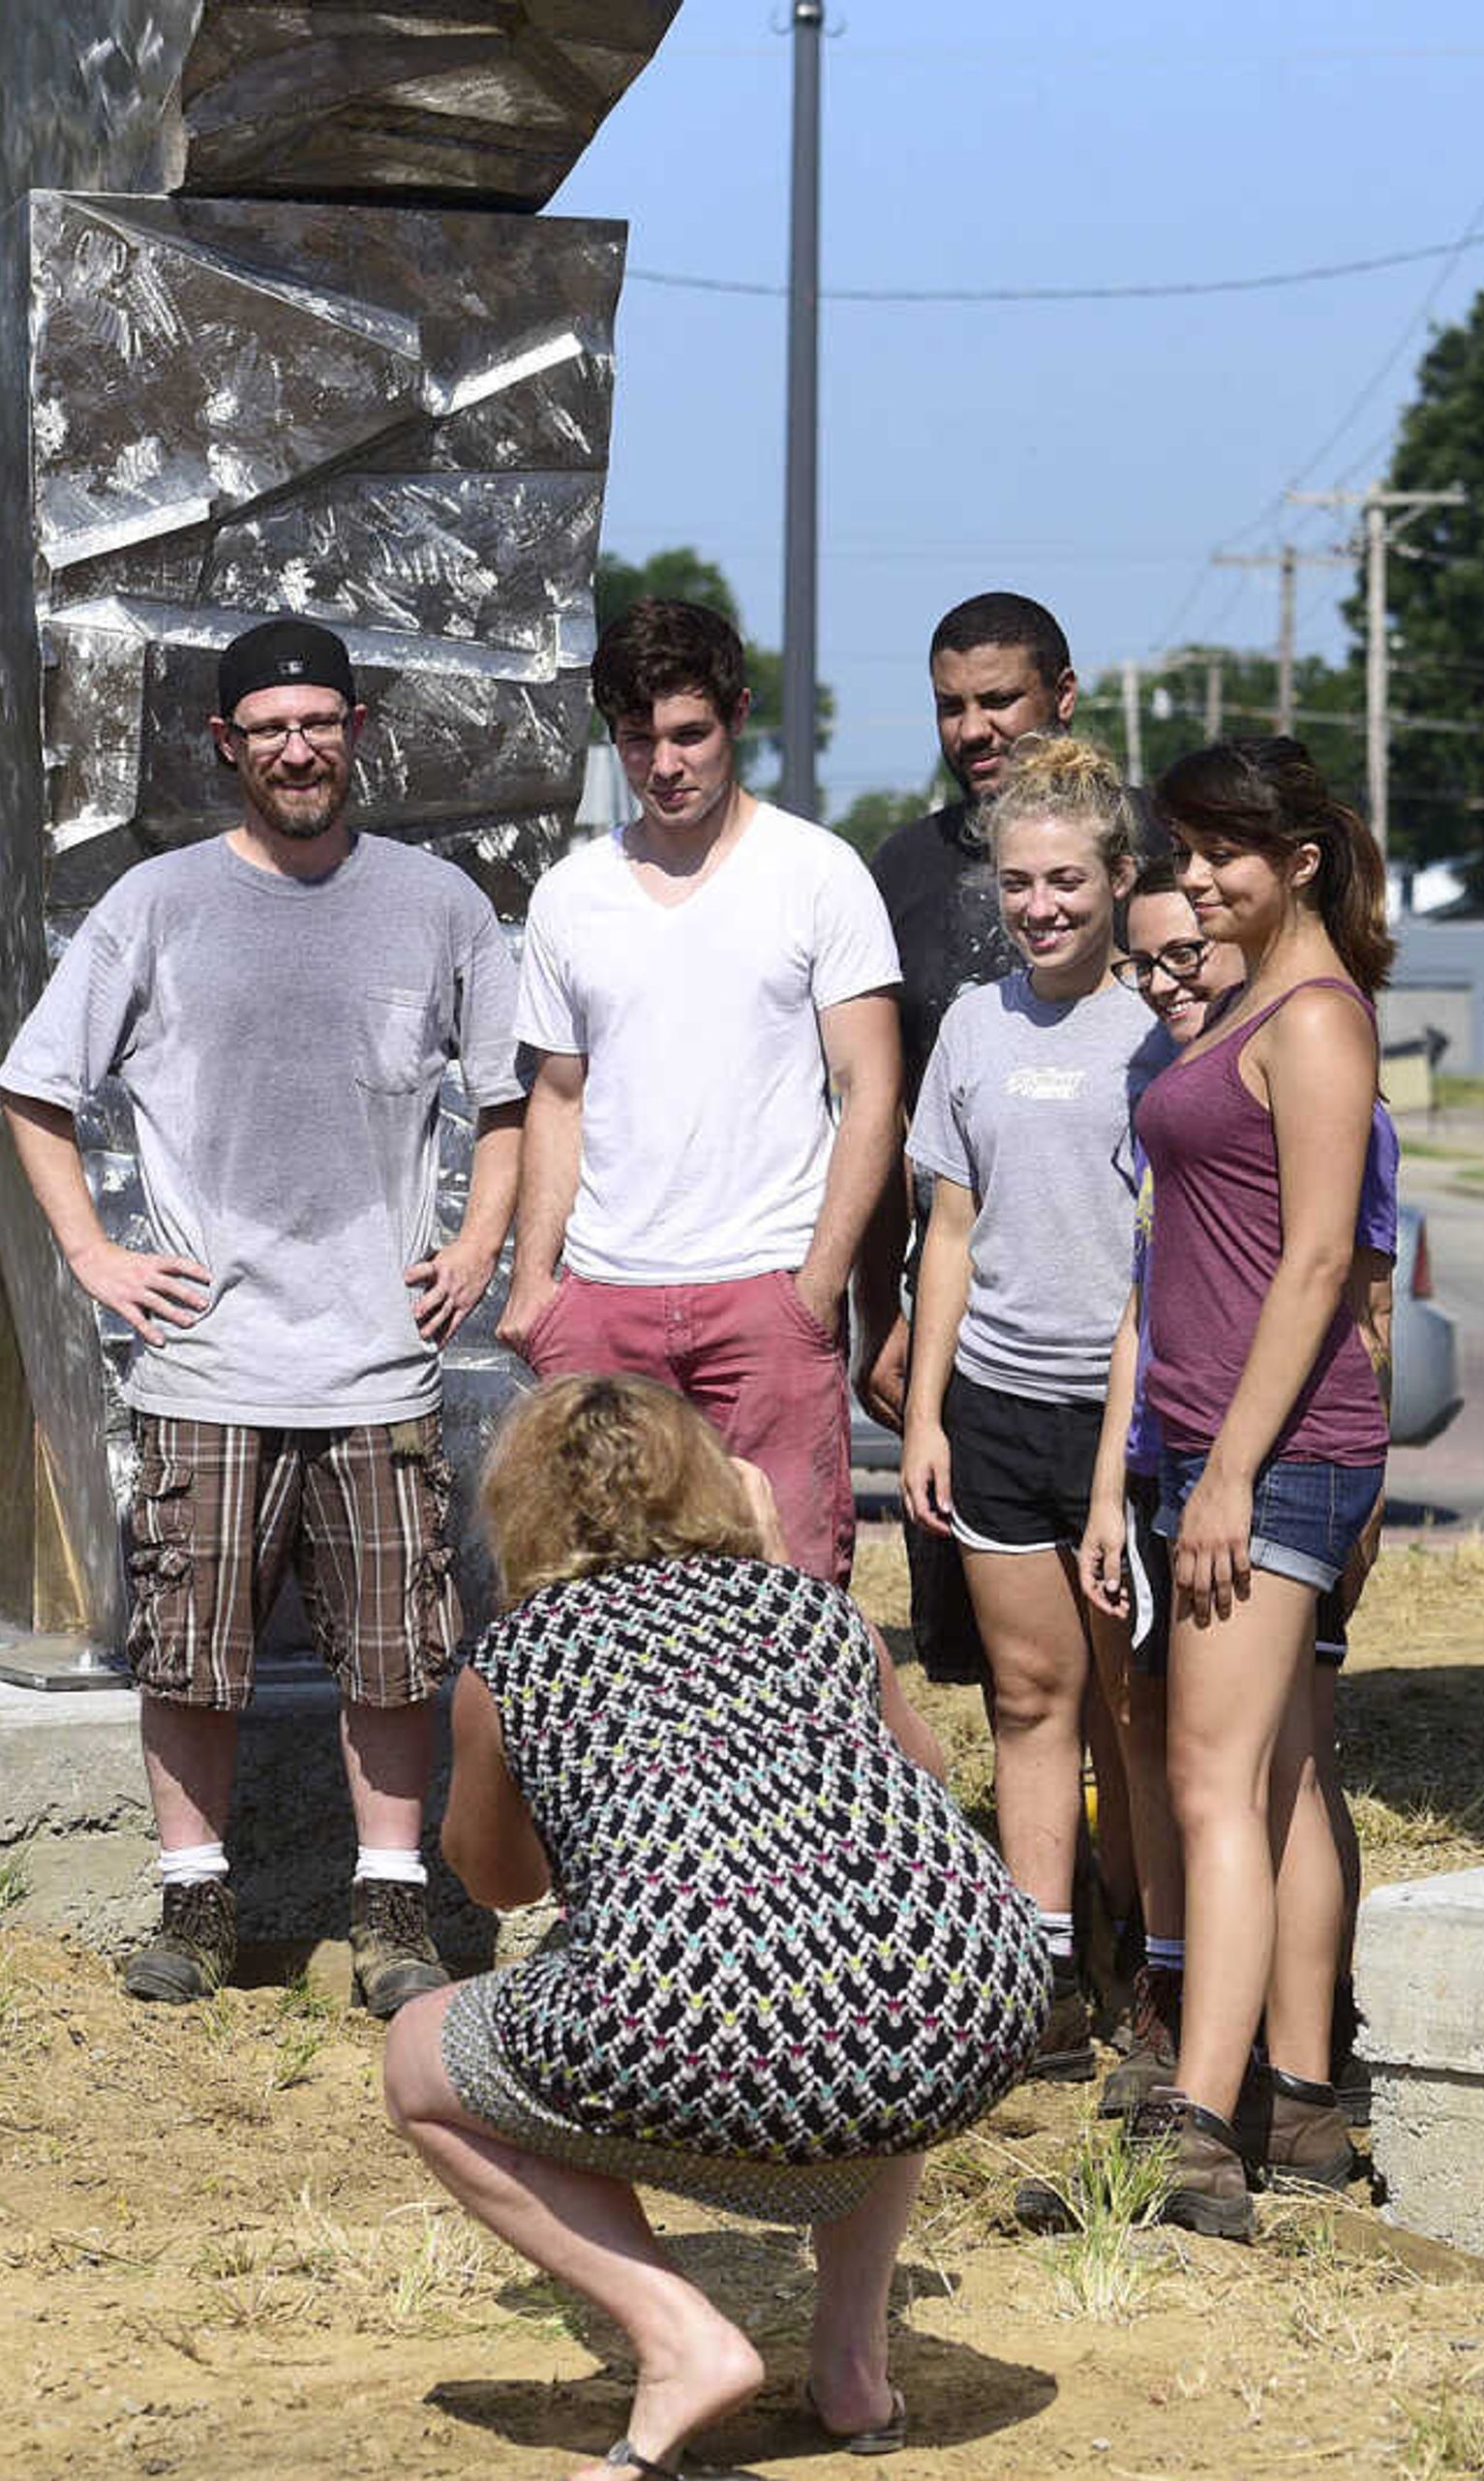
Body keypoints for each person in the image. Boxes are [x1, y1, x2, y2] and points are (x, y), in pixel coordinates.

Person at [0, 615, 522, 2016]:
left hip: (377, 1364)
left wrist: (479, 1237)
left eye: (322, 721)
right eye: (269, 728)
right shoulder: (157, 905)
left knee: (399, 1652)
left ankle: (393, 1905)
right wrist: (96, 1256)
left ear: (359, 729)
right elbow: (35, 1091)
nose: (299, 748)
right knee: (191, 1648)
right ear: (228, 745)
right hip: (206, 1361)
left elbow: (512, 1096)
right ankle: (195, 1896)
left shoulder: (438, 904)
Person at [382, 1374, 1045, 2481]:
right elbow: (918, 1780)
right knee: (871, 1930)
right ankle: (851, 2365)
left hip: (718, 2026)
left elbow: (496, 1884)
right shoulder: (812, 1608)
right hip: (973, 2002)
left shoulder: (518, 1658)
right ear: (708, 1480)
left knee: (416, 2056)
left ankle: (676, 2334)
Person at [1079, 738, 1391, 2239]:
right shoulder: (1253, 996)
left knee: (1208, 1779)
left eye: (1221, 856)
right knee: (1274, 1780)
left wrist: (1230, 1479)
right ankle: (1303, 2101)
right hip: (1227, 1441)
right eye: (1184, 852)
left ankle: (1196, 2137)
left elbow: (1326, 1259)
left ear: (1302, 860)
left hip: (1270, 1452)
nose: (1193, 879)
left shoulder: (1319, 1018)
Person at [497, 597, 901, 1585]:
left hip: (763, 1291)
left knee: (787, 1594)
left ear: (737, 717)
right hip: (602, 1299)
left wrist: (814, 1290)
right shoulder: (572, 892)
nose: (666, 765)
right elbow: (558, 1097)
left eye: (689, 735)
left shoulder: (818, 872)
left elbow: (871, 1090)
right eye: (639, 741)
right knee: (593, 1596)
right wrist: (537, 1285)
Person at [897, 738, 1159, 2080]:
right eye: (1017, 883)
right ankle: (1047, 1957)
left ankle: (1154, 1948)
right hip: (994, 1410)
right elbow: (950, 1224)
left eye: (1066, 879)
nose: (1041, 905)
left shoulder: (1163, 1030)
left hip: (1120, 1419)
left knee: (1135, 1700)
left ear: (1118, 879)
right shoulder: (973, 1024)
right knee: (1030, 1693)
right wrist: (928, 1413)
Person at [860, 593, 1089, 1694]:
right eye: (952, 706)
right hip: (962, 1328)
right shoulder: (895, 873)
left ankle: (1133, 1868)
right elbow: (875, 1120)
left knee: (1133, 1641)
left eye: (1001, 699)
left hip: (1117, 1328)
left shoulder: (1143, 848)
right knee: (1004, 1665)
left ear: (1063, 695)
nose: (975, 729)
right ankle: (1042, 1861)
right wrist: (885, 1315)